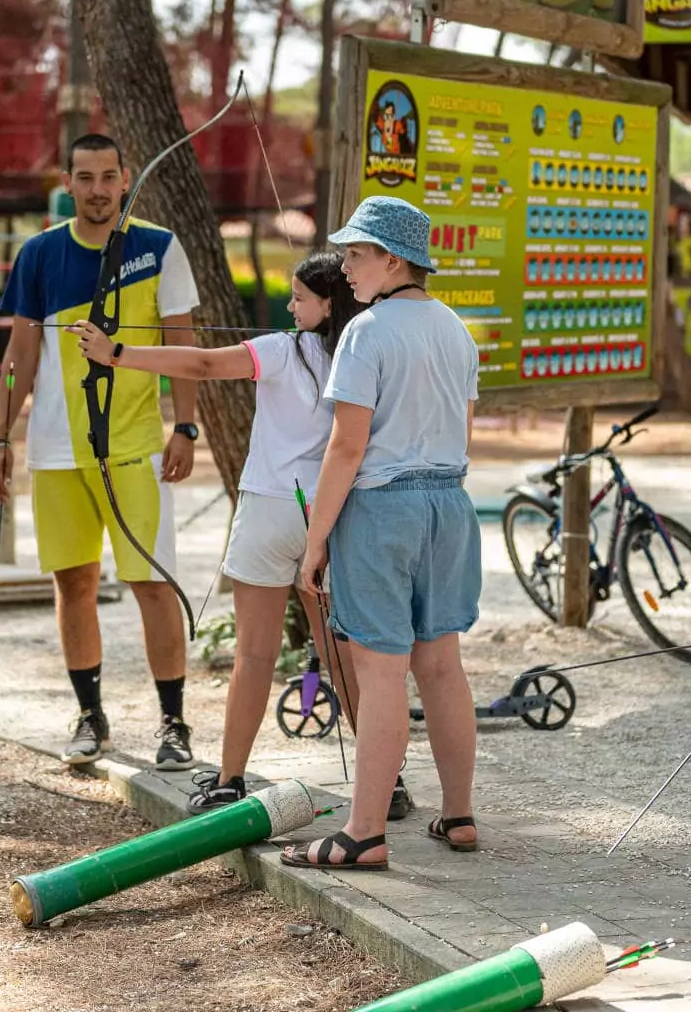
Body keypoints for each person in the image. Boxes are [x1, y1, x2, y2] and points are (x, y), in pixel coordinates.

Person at [68, 253, 413, 818]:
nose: (289, 305)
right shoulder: (365, 351)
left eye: (300, 298)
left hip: (270, 514)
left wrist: (117, 354)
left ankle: (229, 781)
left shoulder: (280, 350)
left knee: (254, 653)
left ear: (328, 304)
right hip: (329, 517)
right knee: (345, 654)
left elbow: (202, 364)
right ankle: (388, 783)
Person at [279, 195, 482, 872]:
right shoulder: (457, 329)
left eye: (357, 253)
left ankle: (363, 832)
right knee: (443, 665)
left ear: (393, 259)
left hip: (383, 506)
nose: (346, 266)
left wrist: (316, 543)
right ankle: (458, 814)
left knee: (381, 670)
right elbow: (464, 430)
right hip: (450, 505)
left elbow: (346, 447)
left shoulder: (367, 332)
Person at [0, 133, 201, 772]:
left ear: (125, 177)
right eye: (86, 177)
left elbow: (183, 341)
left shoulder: (159, 246)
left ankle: (174, 723)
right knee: (73, 583)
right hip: (56, 452)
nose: (99, 189)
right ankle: (91, 716)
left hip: (133, 448)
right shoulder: (39, 253)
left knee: (151, 583)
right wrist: (0, 436)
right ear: (68, 181)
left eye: (109, 176)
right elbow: (19, 356)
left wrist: (185, 427)